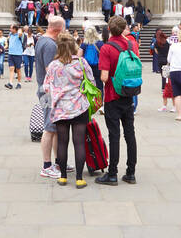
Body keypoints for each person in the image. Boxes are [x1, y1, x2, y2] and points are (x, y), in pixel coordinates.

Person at [46, 31, 93, 188]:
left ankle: (63, 177)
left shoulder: (53, 65)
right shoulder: (81, 63)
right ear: (74, 45)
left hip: (60, 109)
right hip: (79, 107)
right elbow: (91, 81)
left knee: (62, 143)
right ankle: (79, 178)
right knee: (79, 143)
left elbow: (46, 87)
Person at [96, 15, 138, 185]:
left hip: (113, 96)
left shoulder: (106, 48)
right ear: (124, 28)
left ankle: (112, 173)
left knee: (114, 135)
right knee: (130, 133)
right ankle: (131, 172)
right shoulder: (131, 44)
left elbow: (104, 77)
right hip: (129, 94)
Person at [35, 16, 66, 179]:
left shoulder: (43, 40)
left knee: (54, 128)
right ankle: (47, 166)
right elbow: (51, 70)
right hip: (48, 92)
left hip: (47, 90)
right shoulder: (49, 45)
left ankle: (59, 162)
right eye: (64, 28)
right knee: (49, 128)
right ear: (58, 29)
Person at [6, 24, 25, 89]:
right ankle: (10, 83)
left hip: (18, 54)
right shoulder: (10, 34)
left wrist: (19, 29)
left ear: (14, 29)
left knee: (18, 69)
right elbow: (7, 39)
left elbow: (20, 33)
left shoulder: (20, 35)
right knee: (11, 68)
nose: (10, 29)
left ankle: (19, 83)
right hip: (10, 54)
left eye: (11, 28)